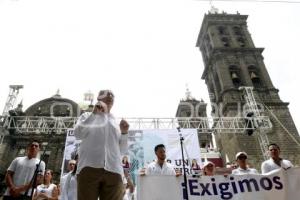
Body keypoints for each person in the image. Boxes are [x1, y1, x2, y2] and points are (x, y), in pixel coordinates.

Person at [74, 90, 129, 200]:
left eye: (112, 95)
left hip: (114, 171)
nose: (110, 96)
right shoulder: (87, 116)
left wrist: (124, 133)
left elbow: (122, 150)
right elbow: (78, 134)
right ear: (99, 98)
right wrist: (94, 114)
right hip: (89, 168)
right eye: (106, 94)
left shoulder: (116, 123)